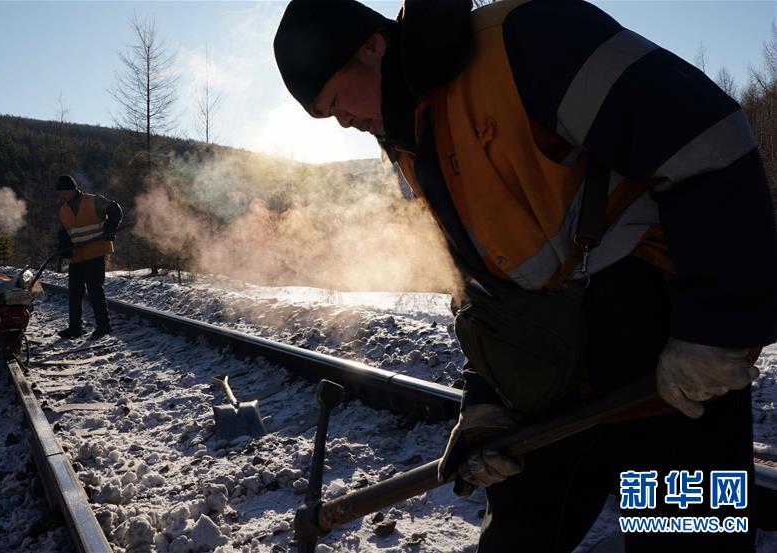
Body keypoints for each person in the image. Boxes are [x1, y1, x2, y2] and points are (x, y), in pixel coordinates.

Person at [274, 1, 777, 551]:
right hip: (555, 380)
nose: (343, 122)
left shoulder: (524, 43)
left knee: (689, 535)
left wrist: (715, 327)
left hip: (667, 366)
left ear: (372, 46)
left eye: (335, 102)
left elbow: (707, 141)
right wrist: (483, 400)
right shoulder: (410, 146)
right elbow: (479, 284)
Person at [55, 174, 122, 340]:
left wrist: (111, 225)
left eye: (63, 192)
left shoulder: (93, 201)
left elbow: (114, 209)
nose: (61, 196)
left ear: (71, 189)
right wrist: (64, 245)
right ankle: (75, 328)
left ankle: (104, 326)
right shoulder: (63, 210)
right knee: (74, 293)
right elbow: (64, 231)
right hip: (77, 257)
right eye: (60, 193)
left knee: (95, 291)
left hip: (95, 252)